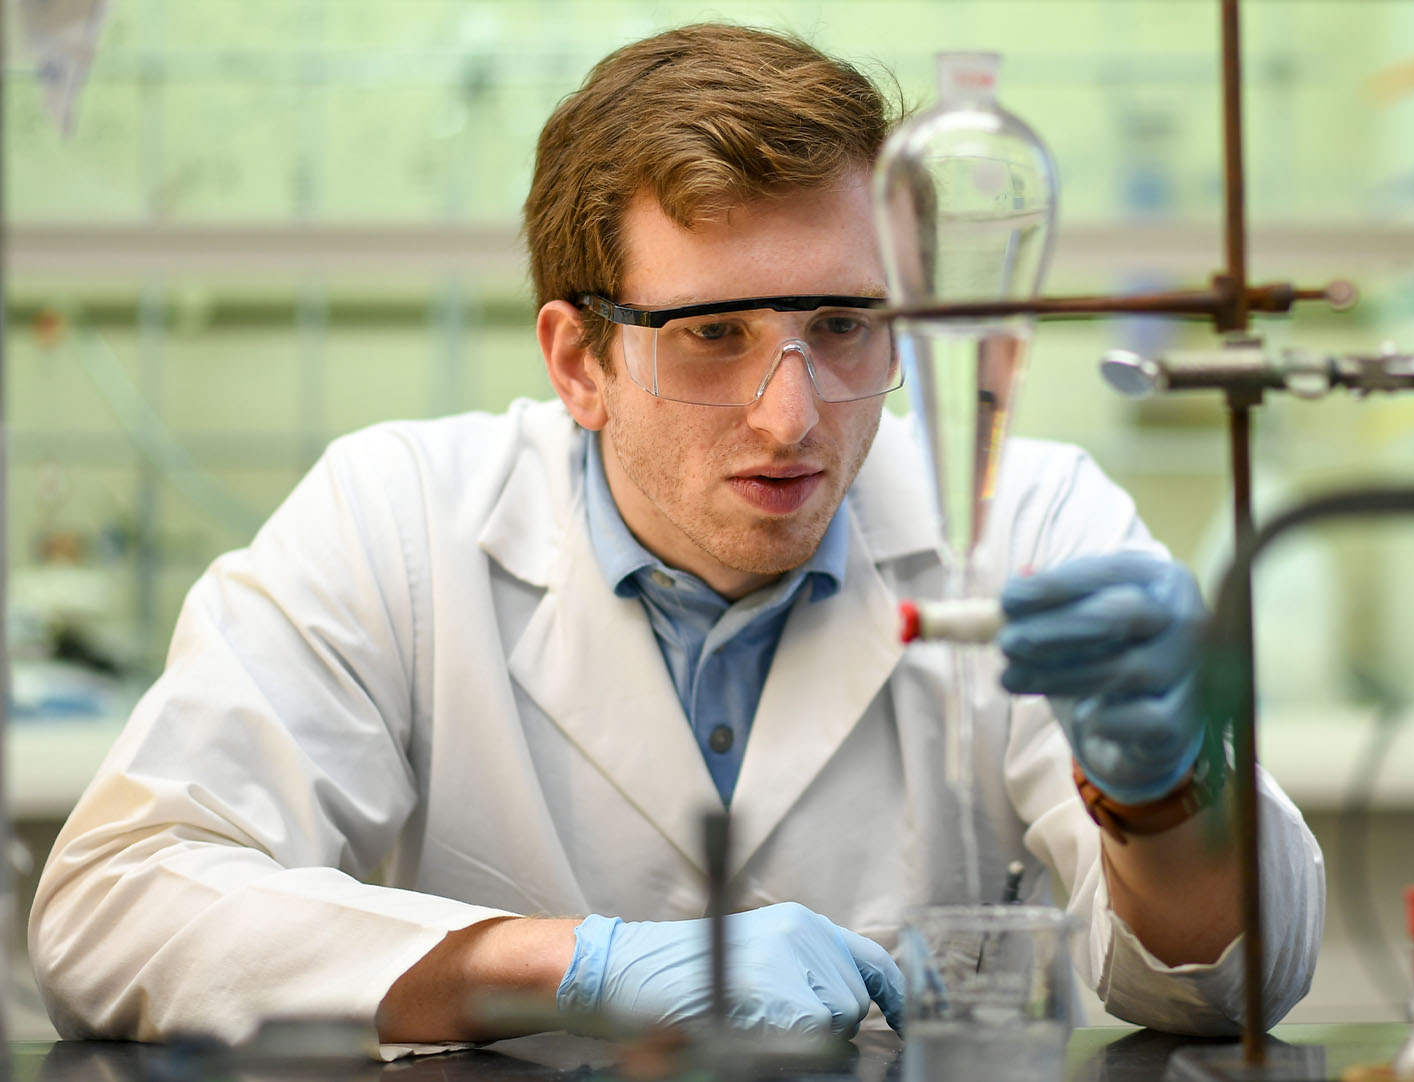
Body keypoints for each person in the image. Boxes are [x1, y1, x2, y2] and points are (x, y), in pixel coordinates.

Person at [29, 23, 1323, 1050]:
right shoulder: (398, 521)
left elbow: (1234, 986)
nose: (791, 415)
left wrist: (1166, 801)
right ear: (578, 360)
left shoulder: (1028, 520)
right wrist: (564, 964)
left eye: (844, 326)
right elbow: (115, 905)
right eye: (713, 336)